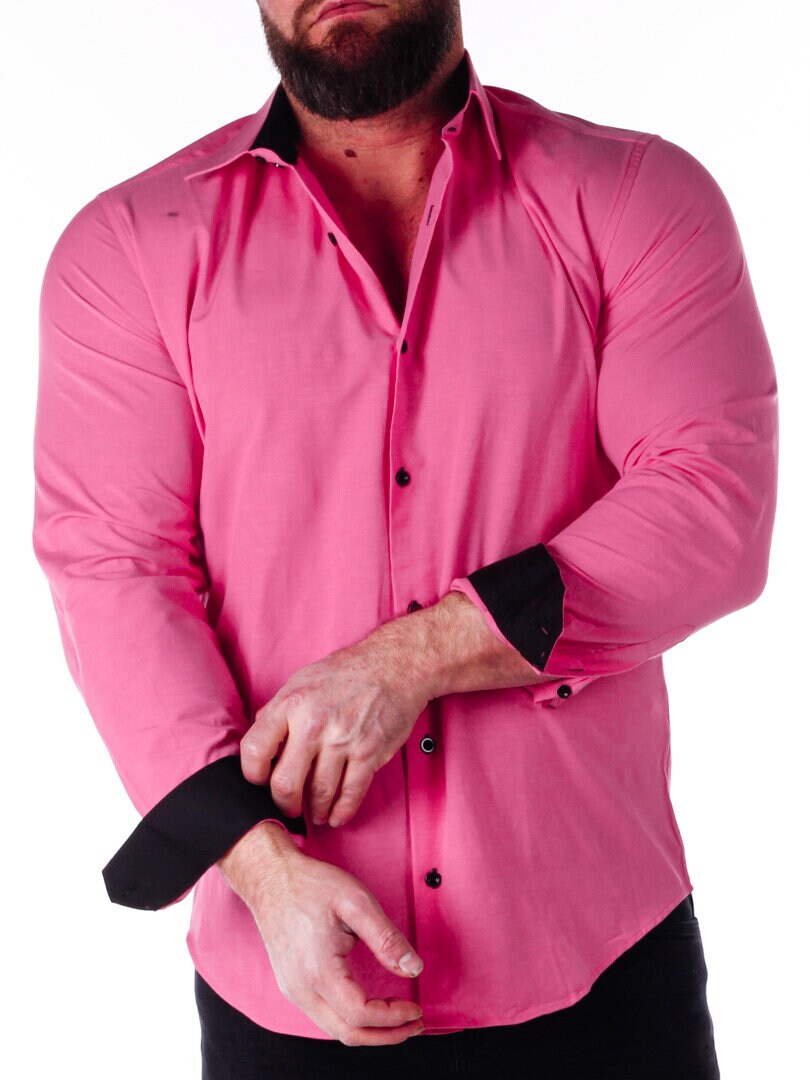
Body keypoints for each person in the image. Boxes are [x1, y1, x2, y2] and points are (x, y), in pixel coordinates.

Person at [32, 1, 777, 1076]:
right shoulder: (130, 251)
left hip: (603, 963)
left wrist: (407, 661)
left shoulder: (634, 196)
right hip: (292, 965)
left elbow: (713, 502)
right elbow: (115, 571)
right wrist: (258, 869)